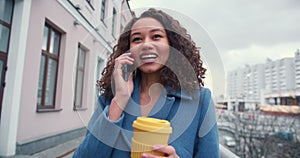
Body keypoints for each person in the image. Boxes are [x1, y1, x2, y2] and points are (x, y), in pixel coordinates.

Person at [73, 8, 220, 158]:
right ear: (128, 50)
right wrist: (120, 100)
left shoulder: (200, 100)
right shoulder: (111, 98)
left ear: (172, 45)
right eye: (137, 39)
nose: (146, 44)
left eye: (156, 36)